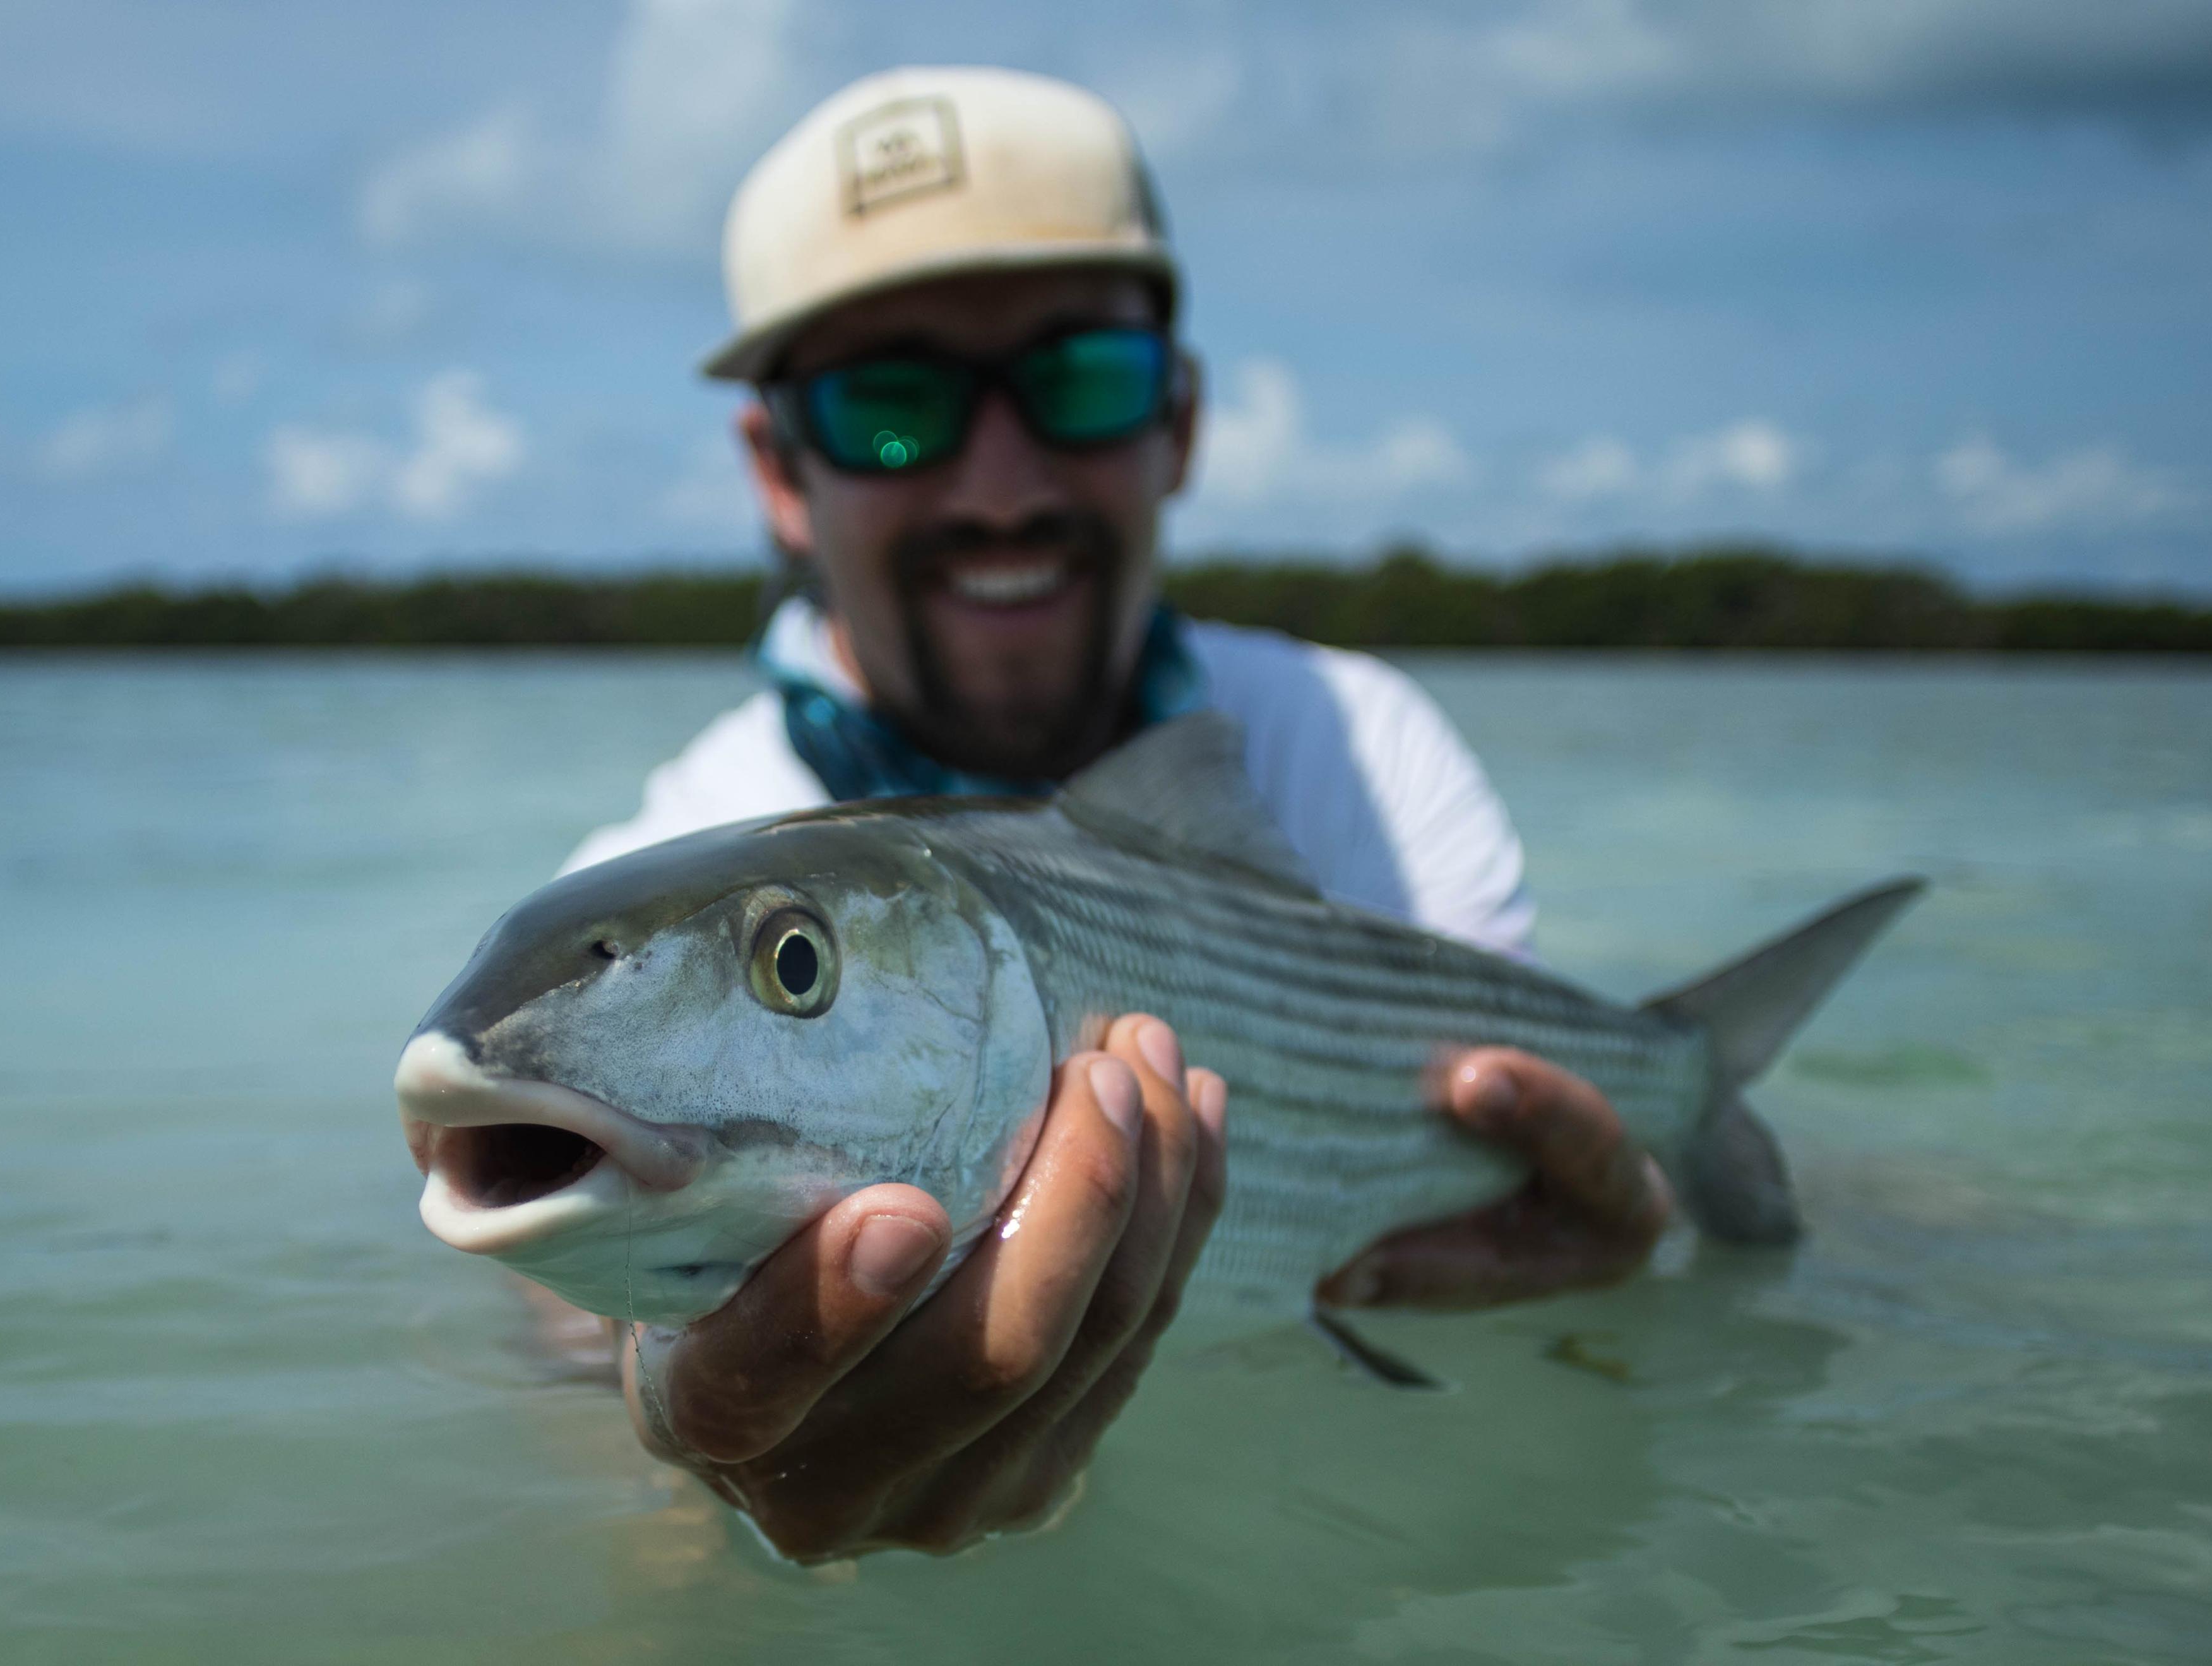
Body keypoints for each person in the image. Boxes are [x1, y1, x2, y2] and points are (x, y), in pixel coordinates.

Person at [564, 66, 1672, 1561]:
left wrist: (1628, 1225)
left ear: (1183, 421)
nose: (1001, 484)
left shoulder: (1364, 742)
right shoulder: (650, 893)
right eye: (892, 411)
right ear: (779, 469)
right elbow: (569, 1318)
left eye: (1081, 380)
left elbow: (1508, 1184)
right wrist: (688, 1431)